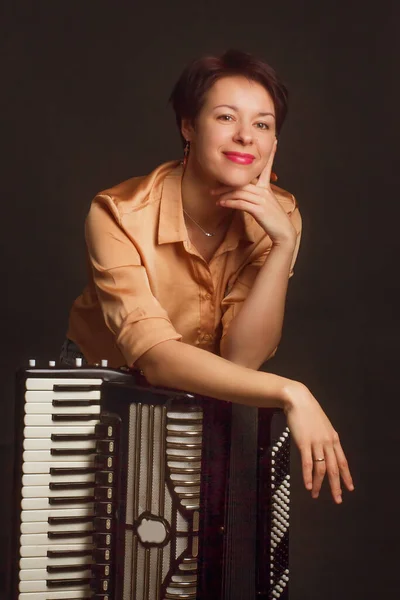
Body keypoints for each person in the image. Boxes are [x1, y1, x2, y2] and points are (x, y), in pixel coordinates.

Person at [61, 49, 354, 505]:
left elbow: (241, 358)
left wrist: (283, 247)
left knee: (186, 559)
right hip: (102, 393)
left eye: (262, 124)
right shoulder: (118, 213)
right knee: (102, 554)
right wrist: (290, 391)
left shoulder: (280, 216)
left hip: (203, 392)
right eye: (225, 117)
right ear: (188, 126)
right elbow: (154, 357)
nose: (244, 137)